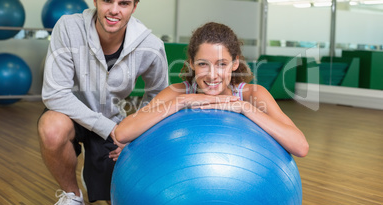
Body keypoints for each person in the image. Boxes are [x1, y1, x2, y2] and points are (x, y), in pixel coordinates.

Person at [38, 0, 168, 205]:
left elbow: (158, 97)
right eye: (107, 0)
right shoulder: (68, 27)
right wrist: (112, 130)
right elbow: (55, 94)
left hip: (112, 119)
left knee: (115, 199)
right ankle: (73, 197)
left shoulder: (151, 46)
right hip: (72, 115)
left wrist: (134, 134)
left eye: (123, 3)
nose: (113, 11)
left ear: (135, 6)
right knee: (52, 128)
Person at [115, 22, 309, 158]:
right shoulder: (178, 92)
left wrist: (244, 108)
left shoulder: (252, 95)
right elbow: (122, 133)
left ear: (235, 63)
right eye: (203, 64)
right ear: (191, 63)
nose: (212, 75)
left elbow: (300, 147)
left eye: (222, 64)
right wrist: (182, 102)